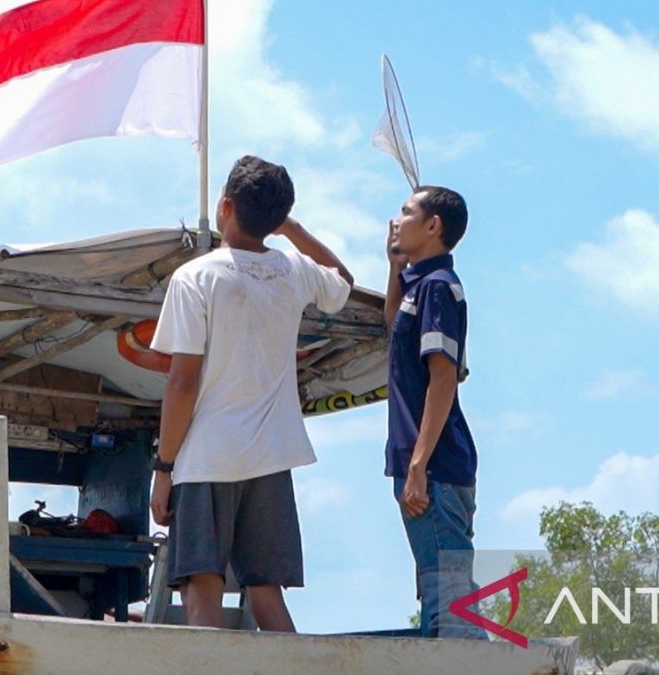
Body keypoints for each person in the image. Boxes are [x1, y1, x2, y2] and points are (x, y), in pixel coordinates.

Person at [148, 155, 354, 632]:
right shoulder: (292, 271)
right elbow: (341, 280)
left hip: (206, 458)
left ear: (225, 206)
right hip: (271, 455)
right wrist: (294, 230)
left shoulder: (196, 277)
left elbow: (181, 383)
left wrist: (163, 468)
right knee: (267, 595)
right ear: (277, 217)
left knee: (203, 596)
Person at [384, 185, 485, 639]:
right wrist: (394, 269)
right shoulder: (421, 286)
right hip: (425, 466)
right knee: (441, 592)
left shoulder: (440, 289)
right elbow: (395, 329)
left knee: (449, 606)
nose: (396, 220)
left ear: (433, 226)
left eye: (406, 212)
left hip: (436, 466)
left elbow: (443, 378)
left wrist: (419, 465)